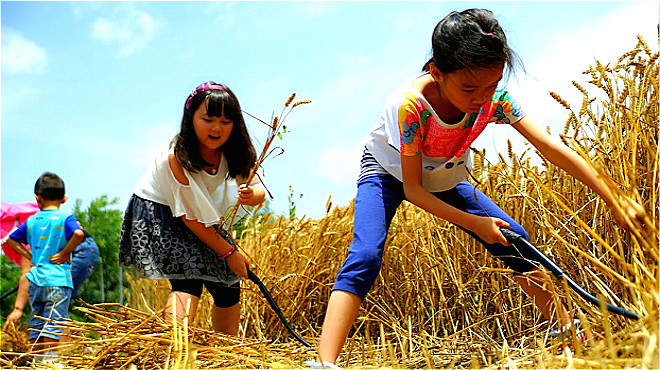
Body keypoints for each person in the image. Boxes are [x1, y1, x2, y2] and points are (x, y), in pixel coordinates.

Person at [309, 9, 644, 368]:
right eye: (469, 88)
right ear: (436, 73)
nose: (482, 98)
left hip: (445, 173)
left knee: (516, 239)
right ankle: (325, 362)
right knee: (366, 255)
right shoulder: (411, 107)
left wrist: (614, 198)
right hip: (389, 171)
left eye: (492, 84)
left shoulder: (494, 99)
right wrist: (476, 224)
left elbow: (549, 146)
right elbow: (414, 190)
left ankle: (570, 333)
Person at [119, 81, 266, 335]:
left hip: (197, 213)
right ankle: (172, 351)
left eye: (226, 121)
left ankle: (229, 352)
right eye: (208, 119)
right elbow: (190, 219)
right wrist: (230, 253)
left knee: (227, 283)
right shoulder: (174, 157)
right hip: (160, 211)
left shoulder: (234, 152)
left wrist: (252, 195)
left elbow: (258, 187)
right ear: (191, 118)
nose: (217, 128)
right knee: (188, 277)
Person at [5, 172, 85, 362]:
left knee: (37, 321)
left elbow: (10, 239)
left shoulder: (32, 220)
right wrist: (65, 253)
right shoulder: (65, 218)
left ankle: (36, 361)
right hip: (57, 280)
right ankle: (49, 362)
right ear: (64, 199)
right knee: (52, 322)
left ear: (37, 198)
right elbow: (78, 234)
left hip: (36, 281)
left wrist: (27, 254)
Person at [3, 227, 99, 331]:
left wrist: (18, 309)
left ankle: (58, 345)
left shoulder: (28, 233)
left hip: (78, 252)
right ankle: (55, 343)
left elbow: (28, 274)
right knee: (53, 303)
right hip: (80, 251)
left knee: (55, 302)